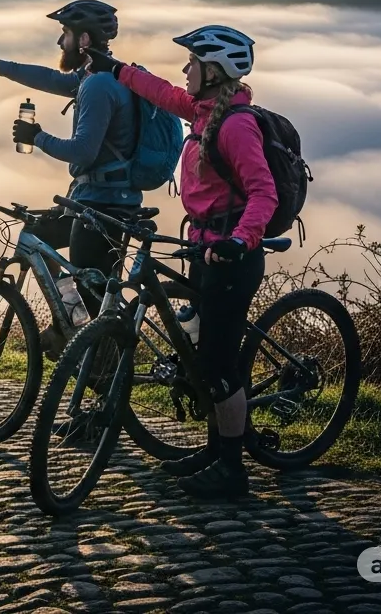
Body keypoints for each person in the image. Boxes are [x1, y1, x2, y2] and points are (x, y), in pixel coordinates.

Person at [86, 25, 278, 500]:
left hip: (232, 257)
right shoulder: (203, 112)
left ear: (215, 72)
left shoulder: (235, 125)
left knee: (217, 365)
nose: (185, 69)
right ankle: (217, 449)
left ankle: (232, 471)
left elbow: (263, 192)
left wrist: (240, 240)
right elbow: (164, 93)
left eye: (193, 63)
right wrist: (119, 70)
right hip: (204, 249)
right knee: (204, 357)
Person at [0, 0, 141, 354]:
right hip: (96, 201)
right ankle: (66, 324)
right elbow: (51, 78)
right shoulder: (98, 74)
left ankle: (98, 378)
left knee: (95, 318)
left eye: (65, 34)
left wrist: (36, 137)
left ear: (84, 39)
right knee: (37, 235)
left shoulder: (98, 85)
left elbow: (82, 151)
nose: (60, 43)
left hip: (102, 208)